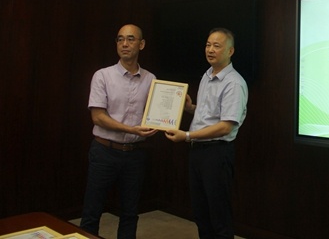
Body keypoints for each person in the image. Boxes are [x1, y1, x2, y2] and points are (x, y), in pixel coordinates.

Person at [165, 27, 248, 239]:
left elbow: (225, 126)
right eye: (208, 45)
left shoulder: (234, 83)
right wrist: (190, 108)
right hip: (198, 152)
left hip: (216, 153)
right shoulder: (207, 75)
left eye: (216, 46)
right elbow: (208, 115)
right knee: (201, 214)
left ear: (230, 51)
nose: (210, 50)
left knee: (219, 216)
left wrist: (187, 136)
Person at [80, 24, 158, 239]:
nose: (124, 44)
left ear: (141, 44)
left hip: (135, 154)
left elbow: (158, 113)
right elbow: (98, 117)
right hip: (104, 151)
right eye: (120, 39)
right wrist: (131, 129)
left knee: (130, 213)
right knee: (92, 212)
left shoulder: (151, 79)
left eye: (131, 39)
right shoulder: (102, 76)